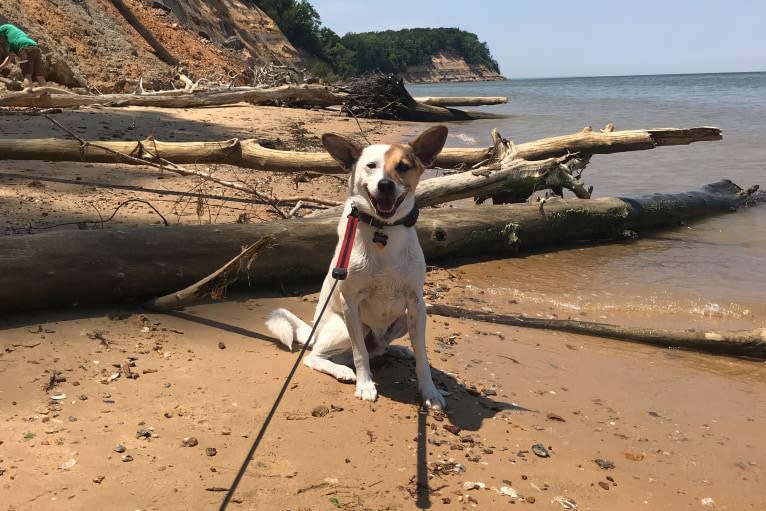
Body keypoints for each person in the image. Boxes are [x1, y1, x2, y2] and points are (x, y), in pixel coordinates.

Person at [0, 22, 46, 90]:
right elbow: (10, 57)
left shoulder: (4, 28)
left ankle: (28, 96)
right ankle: (45, 95)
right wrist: (1, 67)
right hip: (35, 48)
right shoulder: (15, 37)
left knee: (27, 75)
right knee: (39, 75)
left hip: (25, 49)